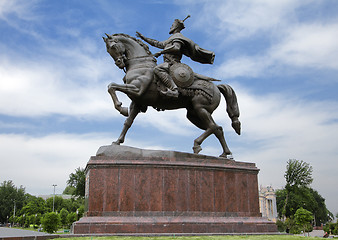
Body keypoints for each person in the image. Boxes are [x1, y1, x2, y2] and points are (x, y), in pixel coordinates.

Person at [136, 15, 215, 97]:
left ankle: (174, 90)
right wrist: (144, 38)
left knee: (157, 69)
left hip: (173, 64)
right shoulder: (171, 38)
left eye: (172, 25)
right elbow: (157, 43)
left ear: (176, 26)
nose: (170, 27)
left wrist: (161, 52)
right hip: (167, 63)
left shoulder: (179, 37)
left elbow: (176, 48)